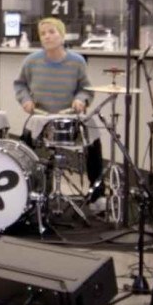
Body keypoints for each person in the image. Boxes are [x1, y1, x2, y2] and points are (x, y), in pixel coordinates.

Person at [14, 17, 105, 207]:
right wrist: (26, 100)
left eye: (52, 32)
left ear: (62, 36)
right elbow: (20, 85)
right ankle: (27, 193)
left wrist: (81, 99)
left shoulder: (77, 61)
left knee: (93, 137)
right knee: (22, 149)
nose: (47, 36)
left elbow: (86, 89)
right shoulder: (31, 61)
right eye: (43, 33)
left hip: (69, 116)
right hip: (41, 116)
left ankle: (97, 195)